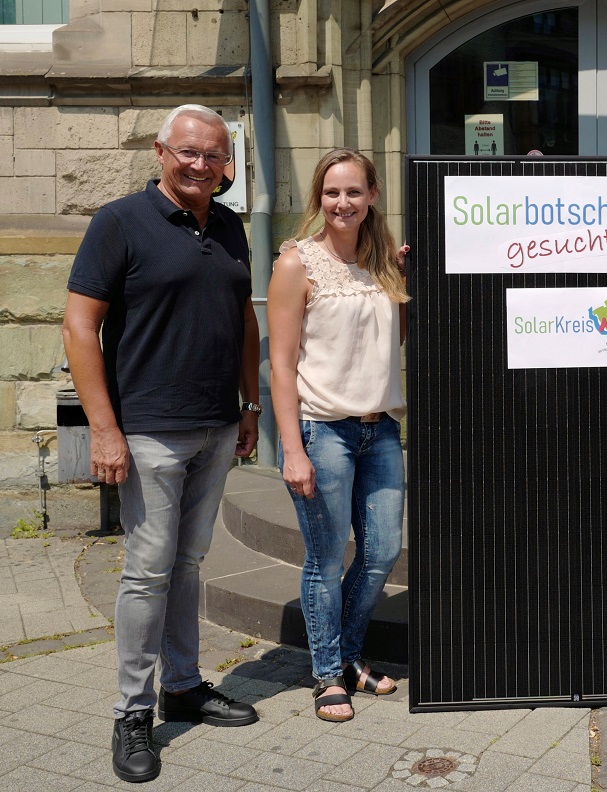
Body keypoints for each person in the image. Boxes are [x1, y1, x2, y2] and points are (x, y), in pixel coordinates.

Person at [62, 103, 261, 784]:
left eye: (213, 155)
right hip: (147, 429)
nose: (202, 165)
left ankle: (183, 684)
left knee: (189, 564)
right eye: (190, 153)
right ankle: (130, 712)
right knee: (147, 571)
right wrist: (105, 429)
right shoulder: (120, 221)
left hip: (214, 422)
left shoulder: (230, 225)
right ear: (161, 152)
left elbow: (243, 318)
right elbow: (79, 327)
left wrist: (251, 402)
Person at [268, 149, 410, 723]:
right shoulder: (296, 263)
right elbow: (279, 364)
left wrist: (412, 280)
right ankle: (328, 673)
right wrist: (291, 450)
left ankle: (348, 657)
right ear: (318, 199)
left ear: (372, 196)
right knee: (325, 559)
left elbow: (390, 346)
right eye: (332, 193)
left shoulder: (383, 265)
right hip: (320, 428)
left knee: (382, 552)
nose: (342, 203)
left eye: (354, 192)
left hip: (381, 429)